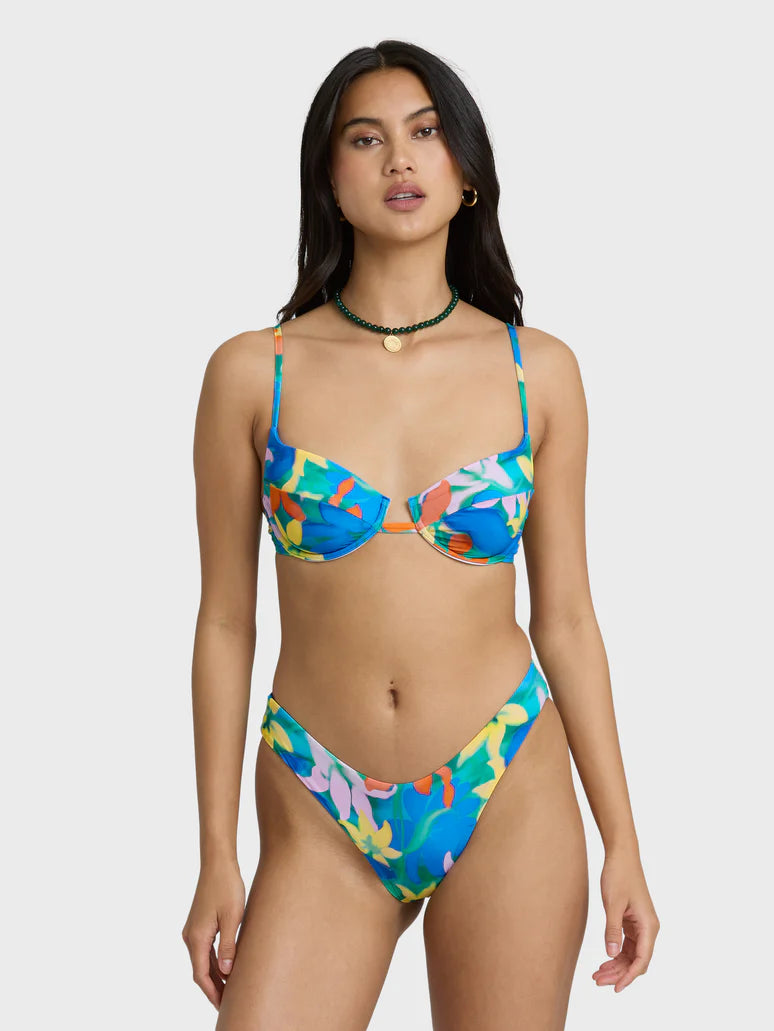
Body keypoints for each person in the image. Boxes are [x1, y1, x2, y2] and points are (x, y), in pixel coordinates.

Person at [181, 39, 659, 1030]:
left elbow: (567, 617)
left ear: (466, 170)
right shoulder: (253, 372)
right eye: (366, 139)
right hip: (319, 792)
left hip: (505, 778)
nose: (399, 159)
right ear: (328, 178)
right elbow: (225, 622)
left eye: (426, 132)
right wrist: (216, 852)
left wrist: (623, 840)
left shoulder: (538, 372)